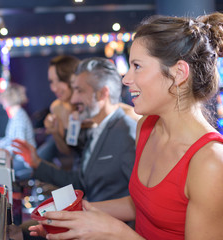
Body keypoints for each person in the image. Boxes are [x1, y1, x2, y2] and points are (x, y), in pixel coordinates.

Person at [26, 12, 223, 240]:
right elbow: (142, 204)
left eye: (137, 66)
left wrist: (116, 233)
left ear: (178, 73)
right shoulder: (147, 128)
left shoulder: (211, 161)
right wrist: (76, 217)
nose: (126, 79)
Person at [12, 57, 137, 202]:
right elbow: (81, 181)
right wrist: (36, 163)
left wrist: (87, 212)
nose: (73, 99)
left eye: (79, 91)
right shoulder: (98, 128)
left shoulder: (126, 131)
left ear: (102, 93)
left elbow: (138, 200)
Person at [0, 82, 37, 180]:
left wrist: (1, 150)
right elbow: (10, 138)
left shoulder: (19, 118)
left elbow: (19, 146)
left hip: (24, 162)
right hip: (21, 159)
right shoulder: (17, 115)